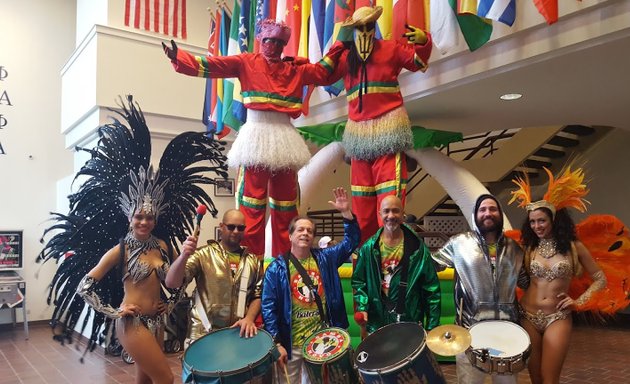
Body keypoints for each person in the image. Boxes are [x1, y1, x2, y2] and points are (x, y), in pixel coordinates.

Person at [37, 97, 228, 384]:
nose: (144, 222)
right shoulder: (121, 249)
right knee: (166, 378)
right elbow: (85, 286)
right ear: (129, 217)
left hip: (157, 322)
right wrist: (115, 311)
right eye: (139, 217)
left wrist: (171, 302)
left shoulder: (162, 246)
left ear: (155, 220)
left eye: (149, 218)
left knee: (146, 381)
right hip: (132, 324)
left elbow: (175, 282)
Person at [163, 19, 340, 258]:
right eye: (269, 40)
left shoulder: (295, 69)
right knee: (251, 208)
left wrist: (344, 41)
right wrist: (180, 57)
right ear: (260, 40)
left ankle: (286, 265)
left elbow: (324, 72)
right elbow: (215, 65)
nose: (273, 46)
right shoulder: (246, 62)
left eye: (279, 42)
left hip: (284, 141)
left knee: (286, 209)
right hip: (256, 138)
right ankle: (250, 265)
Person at [323, 6, 433, 243]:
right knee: (361, 202)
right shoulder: (345, 58)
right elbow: (324, 74)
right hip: (358, 136)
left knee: (390, 199)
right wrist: (340, 43)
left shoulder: (391, 48)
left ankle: (390, 255)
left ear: (375, 28)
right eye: (359, 28)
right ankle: (364, 256)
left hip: (388, 132)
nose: (365, 32)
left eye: (369, 26)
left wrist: (424, 42)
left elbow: (416, 62)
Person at [510, 167, 606, 384]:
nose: (537, 226)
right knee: (535, 378)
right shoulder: (528, 248)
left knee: (549, 378)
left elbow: (600, 278)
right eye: (532, 222)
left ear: (554, 220)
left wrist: (579, 301)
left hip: (558, 317)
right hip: (527, 316)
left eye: (542, 221)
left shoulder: (574, 247)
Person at [261, 187, 360, 383]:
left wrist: (346, 214)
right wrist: (277, 342)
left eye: (309, 230)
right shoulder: (277, 269)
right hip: (291, 343)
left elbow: (352, 241)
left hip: (321, 341)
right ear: (290, 236)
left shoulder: (327, 258)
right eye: (300, 229)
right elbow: (268, 308)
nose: (305, 233)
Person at [432, 194, 528, 384]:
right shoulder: (459, 244)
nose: (487, 213)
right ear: (475, 215)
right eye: (482, 210)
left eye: (492, 209)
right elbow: (429, 266)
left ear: (500, 214)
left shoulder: (514, 249)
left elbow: (527, 282)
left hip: (507, 331)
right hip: (469, 331)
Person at [165, 209, 264, 347]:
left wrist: (249, 318)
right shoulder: (202, 255)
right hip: (202, 335)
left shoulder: (252, 261)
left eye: (240, 228)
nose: (236, 231)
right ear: (221, 226)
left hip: (237, 335)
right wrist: (183, 256)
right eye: (231, 227)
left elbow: (258, 295)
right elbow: (172, 282)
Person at [352, 195, 441, 336]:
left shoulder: (417, 249)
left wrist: (432, 324)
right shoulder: (369, 248)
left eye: (395, 211)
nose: (391, 216)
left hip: (409, 322)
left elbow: (431, 289)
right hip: (377, 322)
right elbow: (359, 281)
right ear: (380, 214)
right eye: (386, 211)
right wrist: (362, 306)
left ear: (403, 214)